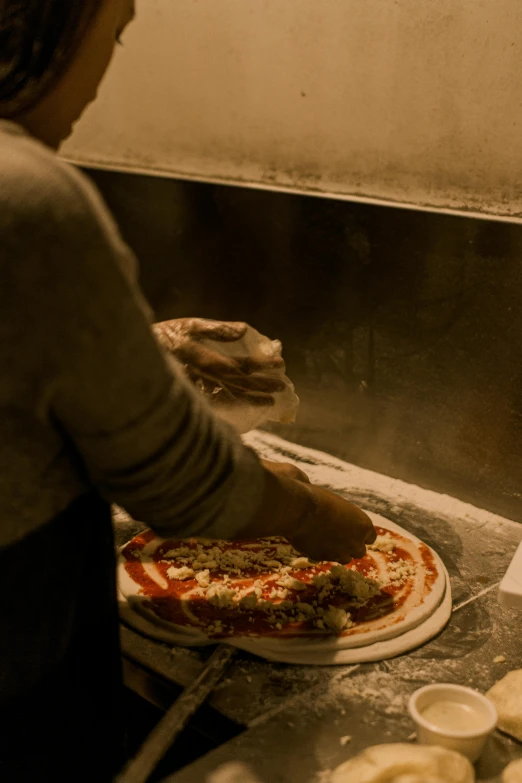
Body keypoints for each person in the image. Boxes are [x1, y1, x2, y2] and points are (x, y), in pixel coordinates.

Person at [0, 1, 376, 780]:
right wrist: (310, 512)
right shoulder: (29, 192)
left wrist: (136, 353)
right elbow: (177, 483)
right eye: (118, 27)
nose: (106, 75)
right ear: (55, 21)